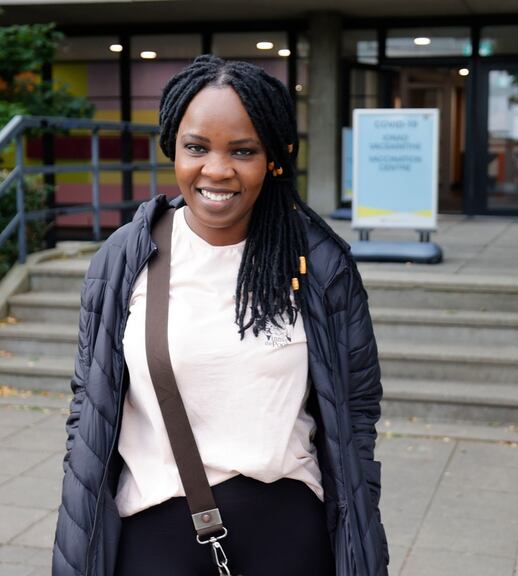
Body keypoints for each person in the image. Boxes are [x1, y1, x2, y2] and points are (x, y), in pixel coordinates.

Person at [52, 55, 388, 576]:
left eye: (243, 151)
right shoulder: (124, 260)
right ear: (173, 149)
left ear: (274, 158)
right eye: (196, 148)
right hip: (154, 536)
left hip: (290, 537)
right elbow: (88, 410)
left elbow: (357, 409)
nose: (216, 169)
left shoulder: (321, 265)